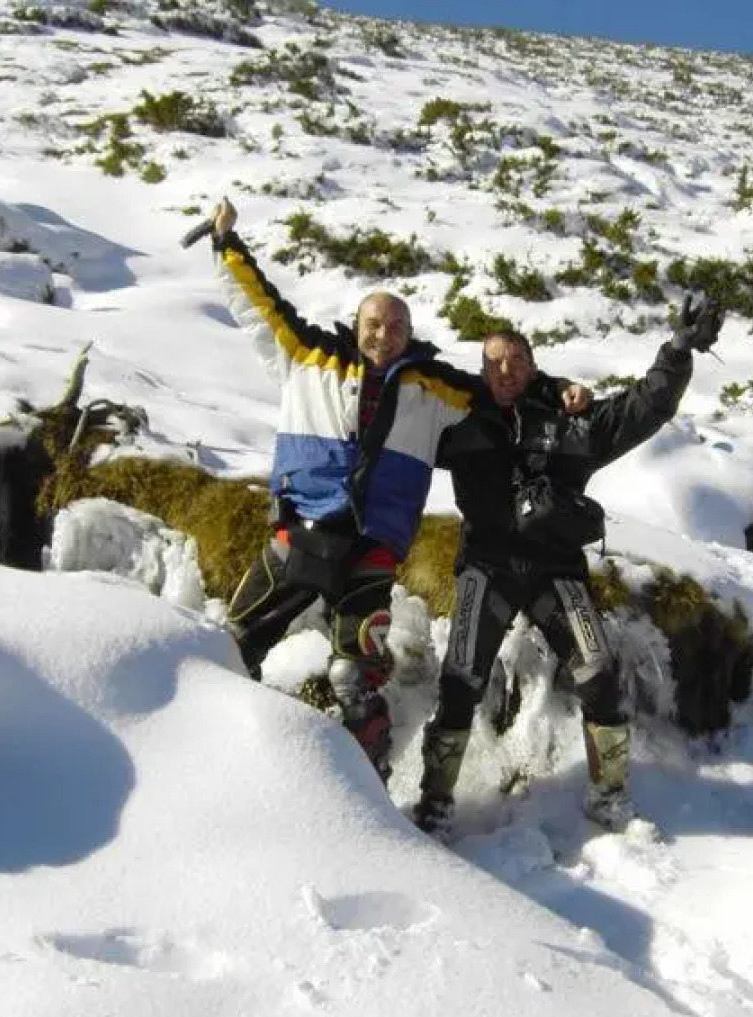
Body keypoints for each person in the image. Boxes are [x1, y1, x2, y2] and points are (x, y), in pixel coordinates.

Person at [208, 199, 586, 781]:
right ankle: (210, 752)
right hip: (297, 534)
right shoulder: (305, 355)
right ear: (356, 327)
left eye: (397, 326)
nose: (384, 334)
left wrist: (559, 388)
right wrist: (227, 244)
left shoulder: (434, 387)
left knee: (352, 676)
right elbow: (257, 303)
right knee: (230, 646)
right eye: (374, 324)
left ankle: (367, 787)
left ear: (411, 332)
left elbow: (504, 386)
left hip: (373, 551)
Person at [412, 294, 724, 835]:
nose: (506, 370)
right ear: (480, 371)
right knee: (460, 679)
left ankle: (609, 793)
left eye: (516, 360)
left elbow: (644, 407)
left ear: (533, 366)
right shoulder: (459, 419)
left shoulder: (571, 421)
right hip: (487, 568)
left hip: (557, 573)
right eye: (494, 362)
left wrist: (677, 350)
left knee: (599, 673)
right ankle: (436, 799)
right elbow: (401, 406)